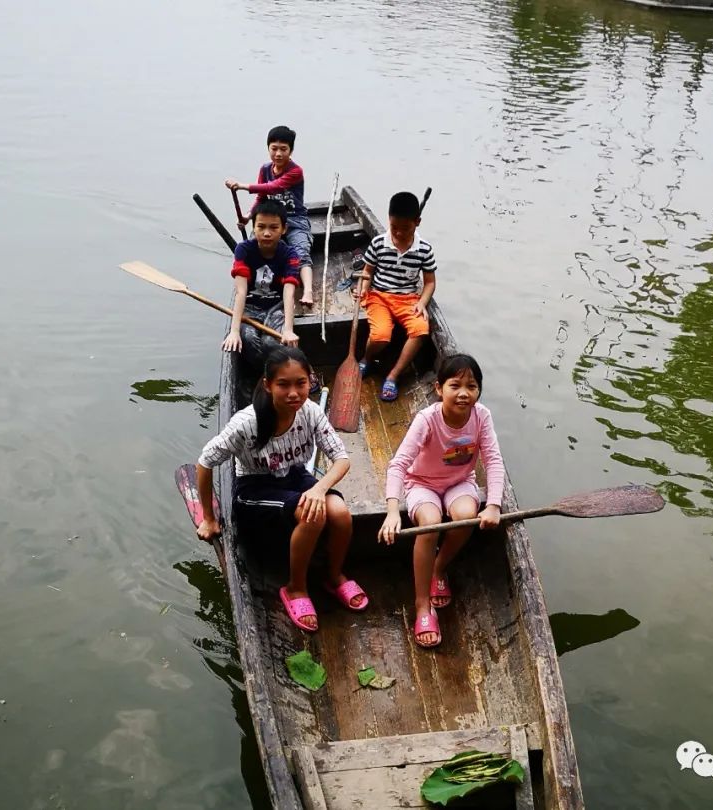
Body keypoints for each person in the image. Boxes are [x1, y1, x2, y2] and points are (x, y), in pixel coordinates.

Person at [196, 346, 369, 632]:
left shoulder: (310, 412)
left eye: (301, 384)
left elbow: (341, 459)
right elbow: (205, 461)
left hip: (295, 477)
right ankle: (296, 588)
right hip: (254, 488)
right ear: (268, 385)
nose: (294, 393)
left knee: (339, 513)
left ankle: (334, 576)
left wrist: (319, 489)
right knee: (312, 514)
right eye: (283, 385)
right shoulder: (246, 424)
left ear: (309, 381)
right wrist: (209, 518)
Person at [377, 354, 504, 648]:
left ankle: (438, 567)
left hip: (459, 481)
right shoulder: (428, 419)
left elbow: (493, 461)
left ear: (479, 390)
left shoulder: (481, 416)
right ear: (439, 388)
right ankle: (422, 604)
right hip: (422, 483)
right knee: (430, 524)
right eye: (455, 385)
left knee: (466, 514)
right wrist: (393, 510)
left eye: (471, 386)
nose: (463, 393)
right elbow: (398, 465)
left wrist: (494, 505)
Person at [356, 191, 437, 402]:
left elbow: (429, 282)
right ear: (389, 221)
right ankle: (367, 358)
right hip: (379, 296)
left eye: (406, 228)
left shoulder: (425, 250)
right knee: (381, 335)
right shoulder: (379, 243)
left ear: (417, 222)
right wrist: (364, 288)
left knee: (421, 330)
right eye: (394, 227)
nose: (399, 233)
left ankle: (393, 375)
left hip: (408, 299)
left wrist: (422, 302)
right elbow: (368, 273)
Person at [226, 125, 314, 307]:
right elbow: (262, 197)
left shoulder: (295, 171)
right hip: (269, 220)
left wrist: (243, 186)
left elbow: (273, 187)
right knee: (252, 248)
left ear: (291, 150)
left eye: (284, 149)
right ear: (268, 148)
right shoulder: (265, 169)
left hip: (294, 219)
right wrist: (248, 217)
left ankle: (307, 291)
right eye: (274, 149)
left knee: (301, 252)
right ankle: (249, 290)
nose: (278, 154)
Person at [223, 198, 301, 373]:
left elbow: (289, 293)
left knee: (270, 342)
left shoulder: (290, 255)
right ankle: (263, 373)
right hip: (250, 307)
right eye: (261, 227)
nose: (267, 233)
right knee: (248, 339)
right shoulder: (243, 250)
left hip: (276, 307)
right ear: (253, 227)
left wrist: (288, 330)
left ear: (283, 229)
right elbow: (241, 293)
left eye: (273, 228)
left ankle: (278, 370)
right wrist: (234, 331)